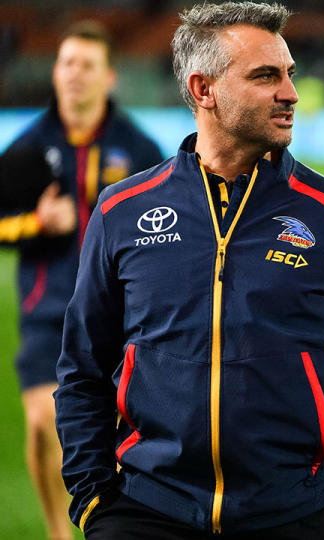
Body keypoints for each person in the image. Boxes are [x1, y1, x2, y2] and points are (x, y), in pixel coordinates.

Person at [54, 3, 324, 539]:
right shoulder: (123, 211)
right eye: (265, 76)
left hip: (297, 512)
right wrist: (93, 497)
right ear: (203, 89)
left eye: (289, 73)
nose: (290, 93)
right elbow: (82, 368)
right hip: (145, 510)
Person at [0, 20, 163, 540]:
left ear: (109, 77)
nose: (75, 75)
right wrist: (34, 224)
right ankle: (58, 532)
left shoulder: (139, 150)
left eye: (87, 65)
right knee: (44, 424)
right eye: (67, 63)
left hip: (123, 316)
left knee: (118, 437)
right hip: (49, 314)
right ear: (55, 71)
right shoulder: (25, 148)